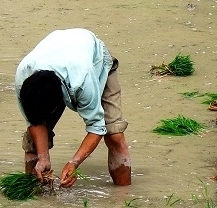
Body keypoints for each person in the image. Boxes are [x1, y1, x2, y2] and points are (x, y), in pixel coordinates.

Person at [15, 28, 131, 188]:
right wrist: (43, 157)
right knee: (33, 142)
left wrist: (74, 163)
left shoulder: (83, 79)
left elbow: (97, 127)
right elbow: (34, 121)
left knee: (114, 135)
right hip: (62, 54)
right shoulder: (23, 80)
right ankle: (35, 202)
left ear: (58, 104)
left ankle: (123, 197)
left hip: (97, 62)